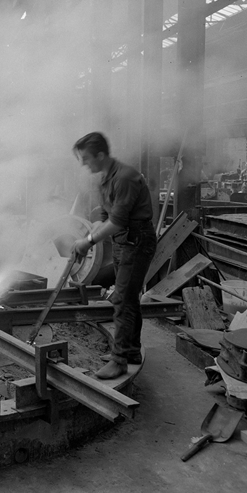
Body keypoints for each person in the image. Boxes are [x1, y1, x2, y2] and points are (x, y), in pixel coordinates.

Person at [71, 132, 156, 380]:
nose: (84, 164)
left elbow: (118, 222)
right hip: (124, 241)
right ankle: (131, 352)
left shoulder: (125, 177)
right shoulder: (106, 179)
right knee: (128, 297)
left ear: (100, 155)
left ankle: (119, 361)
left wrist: (88, 242)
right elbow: (105, 218)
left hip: (136, 241)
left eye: (86, 158)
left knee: (122, 299)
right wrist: (89, 235)